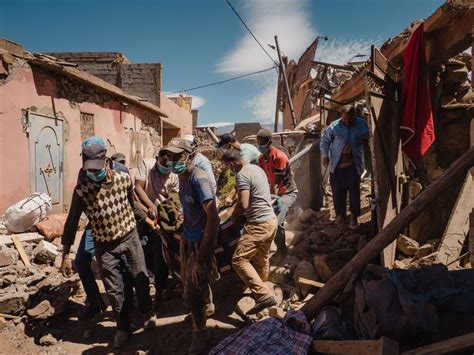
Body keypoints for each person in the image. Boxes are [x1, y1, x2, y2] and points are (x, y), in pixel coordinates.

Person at [60, 137, 157, 348]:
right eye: (89, 169)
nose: (93, 173)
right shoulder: (82, 189)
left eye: (97, 168)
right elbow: (71, 222)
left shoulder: (123, 178)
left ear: (106, 160)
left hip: (130, 238)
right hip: (104, 246)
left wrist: (149, 221)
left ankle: (147, 311)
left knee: (140, 279)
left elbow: (134, 206)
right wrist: (65, 254)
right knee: (114, 290)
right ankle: (123, 327)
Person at [162, 137, 220, 354]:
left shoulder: (199, 179)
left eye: (177, 156)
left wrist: (202, 257)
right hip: (190, 238)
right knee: (193, 283)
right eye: (170, 157)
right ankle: (207, 306)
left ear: (189, 155)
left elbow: (213, 219)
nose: (172, 160)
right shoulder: (182, 178)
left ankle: (200, 332)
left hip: (200, 243)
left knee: (191, 292)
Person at [72, 152, 131, 321]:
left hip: (119, 227)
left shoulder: (122, 172)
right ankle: (96, 303)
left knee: (118, 267)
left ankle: (125, 308)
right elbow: (82, 202)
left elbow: (129, 203)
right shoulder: (84, 172)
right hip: (94, 225)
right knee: (82, 262)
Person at [221, 150, 278, 314]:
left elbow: (244, 204)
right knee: (261, 257)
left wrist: (233, 216)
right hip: (270, 220)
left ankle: (263, 296)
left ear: (232, 164)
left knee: (239, 260)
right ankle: (262, 287)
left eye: (227, 167)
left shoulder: (242, 175)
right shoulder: (256, 168)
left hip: (258, 224)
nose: (229, 170)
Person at [135, 148, 179, 314]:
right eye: (163, 164)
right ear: (157, 159)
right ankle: (149, 284)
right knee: (144, 249)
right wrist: (150, 206)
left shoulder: (174, 174)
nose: (166, 168)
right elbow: (138, 188)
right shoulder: (146, 164)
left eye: (169, 165)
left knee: (160, 253)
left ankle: (159, 291)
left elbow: (174, 198)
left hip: (163, 218)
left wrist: (165, 213)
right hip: (145, 213)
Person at [320, 105, 369, 229]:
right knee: (337, 192)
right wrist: (325, 156)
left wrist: (362, 143)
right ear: (341, 116)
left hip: (353, 166)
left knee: (354, 192)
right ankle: (340, 216)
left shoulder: (362, 124)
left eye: (349, 119)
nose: (346, 121)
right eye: (344, 119)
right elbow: (325, 140)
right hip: (336, 167)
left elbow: (370, 137)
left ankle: (354, 218)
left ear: (355, 116)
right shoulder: (334, 126)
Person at [256, 129, 298, 255]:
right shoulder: (262, 158)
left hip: (287, 193)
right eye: (258, 144)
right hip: (274, 192)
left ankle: (282, 251)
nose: (260, 147)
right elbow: (264, 178)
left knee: (277, 223)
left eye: (262, 144)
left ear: (269, 142)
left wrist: (270, 200)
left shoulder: (279, 157)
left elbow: (275, 184)